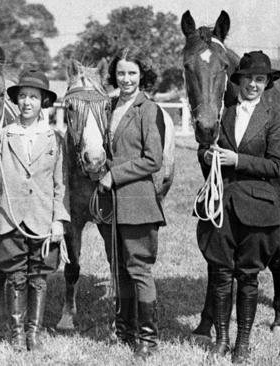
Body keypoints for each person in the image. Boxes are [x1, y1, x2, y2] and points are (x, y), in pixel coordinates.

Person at [196, 51, 280, 363]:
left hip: (259, 208)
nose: (253, 84)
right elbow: (206, 149)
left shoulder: (274, 117)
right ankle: (221, 339)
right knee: (220, 273)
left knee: (248, 276)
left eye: (259, 79)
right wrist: (207, 156)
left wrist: (239, 161)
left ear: (266, 83)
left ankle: (243, 343)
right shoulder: (225, 113)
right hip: (223, 204)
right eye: (248, 78)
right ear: (239, 81)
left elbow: (278, 166)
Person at [0, 69, 70, 352]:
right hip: (9, 217)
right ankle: (17, 333)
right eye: (22, 96)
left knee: (39, 277)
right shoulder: (4, 136)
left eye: (33, 96)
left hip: (42, 219)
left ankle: (35, 332)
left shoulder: (55, 138)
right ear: (16, 101)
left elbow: (61, 184)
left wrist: (59, 221)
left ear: (43, 101)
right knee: (16, 276)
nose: (27, 102)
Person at [97, 46, 166, 359]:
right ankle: (124, 330)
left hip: (138, 201)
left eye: (132, 73)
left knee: (139, 270)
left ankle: (147, 339)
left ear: (142, 76)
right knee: (120, 269)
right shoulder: (111, 106)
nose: (125, 79)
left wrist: (115, 175)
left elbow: (153, 160)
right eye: (121, 73)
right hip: (113, 204)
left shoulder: (146, 109)